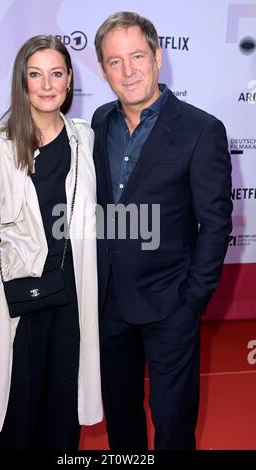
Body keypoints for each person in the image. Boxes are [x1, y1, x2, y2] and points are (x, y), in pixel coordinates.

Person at [92, 11, 232, 450]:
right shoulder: (98, 123)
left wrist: (193, 299)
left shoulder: (200, 129)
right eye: (115, 61)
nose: (128, 70)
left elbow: (215, 222)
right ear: (102, 69)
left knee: (173, 426)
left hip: (171, 303)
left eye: (137, 56)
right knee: (121, 420)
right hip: (107, 301)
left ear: (157, 55)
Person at [0, 35, 102, 450]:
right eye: (35, 75)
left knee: (63, 414)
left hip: (72, 298)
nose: (46, 84)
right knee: (15, 414)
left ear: (70, 80)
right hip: (16, 300)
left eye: (56, 74)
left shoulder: (83, 137)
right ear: (22, 82)